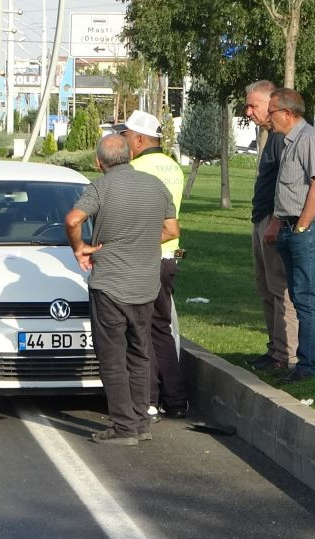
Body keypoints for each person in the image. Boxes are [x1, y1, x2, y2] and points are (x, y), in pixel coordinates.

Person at [64, 134, 179, 446]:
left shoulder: (100, 186)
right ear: (129, 154)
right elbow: (171, 230)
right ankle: (141, 422)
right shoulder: (155, 185)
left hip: (110, 284)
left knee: (112, 356)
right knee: (140, 352)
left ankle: (123, 427)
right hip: (146, 284)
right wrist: (140, 242)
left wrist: (80, 248)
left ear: (98, 162)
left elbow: (73, 219)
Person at [117, 109, 188, 419]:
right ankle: (176, 400)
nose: (124, 141)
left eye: (127, 136)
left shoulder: (136, 168)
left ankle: (148, 399)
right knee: (161, 328)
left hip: (143, 257)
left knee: (140, 331)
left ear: (140, 139)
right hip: (168, 255)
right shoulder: (173, 167)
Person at [268, 88, 315, 383]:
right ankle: (303, 361)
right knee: (298, 296)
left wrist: (302, 227)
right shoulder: (287, 142)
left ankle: (309, 366)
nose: (267, 118)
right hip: (290, 226)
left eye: (270, 112)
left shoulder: (310, 139)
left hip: (308, 227)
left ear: (286, 113)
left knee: (307, 298)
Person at [243, 80, 298, 372]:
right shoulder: (271, 136)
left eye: (253, 105)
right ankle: (274, 349)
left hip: (272, 221)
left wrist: (275, 221)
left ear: (272, 103)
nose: (248, 111)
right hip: (261, 219)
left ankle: (286, 355)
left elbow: (286, 184)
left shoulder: (282, 137)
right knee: (265, 289)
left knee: (280, 290)